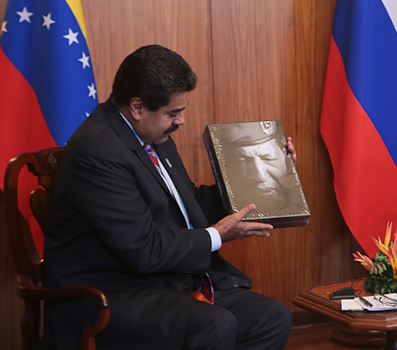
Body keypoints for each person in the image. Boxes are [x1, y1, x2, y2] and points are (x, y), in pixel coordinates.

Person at [42, 45, 293, 350]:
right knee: (217, 324)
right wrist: (217, 235)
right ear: (137, 107)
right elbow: (144, 249)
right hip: (112, 293)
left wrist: (267, 175)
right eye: (173, 112)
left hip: (164, 282)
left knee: (271, 317)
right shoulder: (98, 151)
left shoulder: (152, 134)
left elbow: (188, 206)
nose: (181, 121)